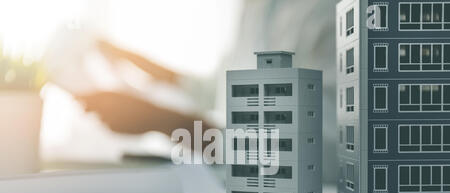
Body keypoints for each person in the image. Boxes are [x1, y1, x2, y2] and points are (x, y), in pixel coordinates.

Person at [77, 0, 337, 181]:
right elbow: (220, 91)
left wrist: (169, 122)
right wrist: (137, 62)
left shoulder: (328, 12)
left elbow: (311, 151)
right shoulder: (255, 9)